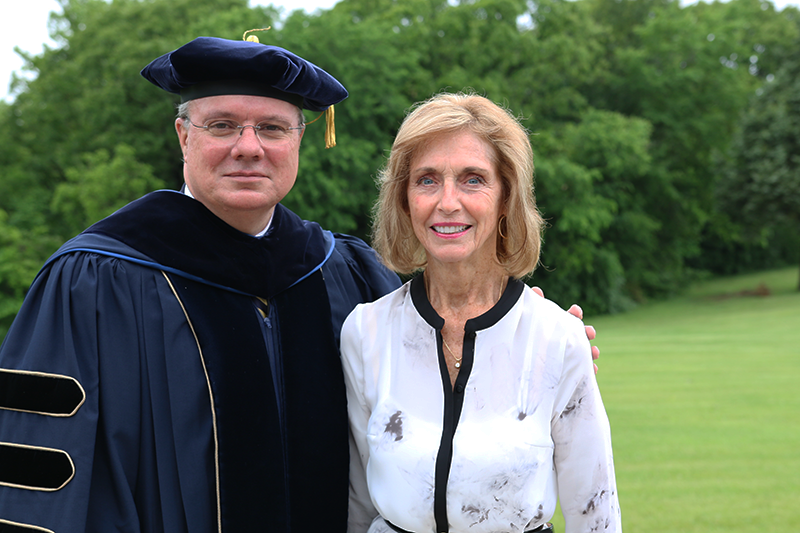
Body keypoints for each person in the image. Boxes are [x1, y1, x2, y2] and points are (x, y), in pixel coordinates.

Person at [0, 37, 597, 532]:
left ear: (300, 141)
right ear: (184, 136)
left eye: (273, 128)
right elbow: (38, 476)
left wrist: (528, 336)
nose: (248, 147)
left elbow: (437, 369)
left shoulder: (344, 274)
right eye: (223, 124)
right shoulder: (95, 282)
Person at [341, 93, 621, 533]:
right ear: (403, 199)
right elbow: (357, 501)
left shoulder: (558, 338)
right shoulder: (365, 331)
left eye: (473, 180)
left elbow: (596, 514)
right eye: (427, 180)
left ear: (506, 197)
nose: (448, 202)